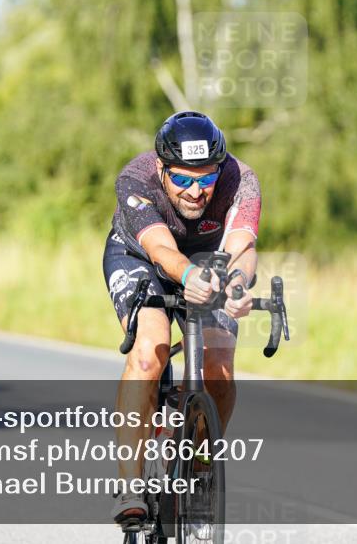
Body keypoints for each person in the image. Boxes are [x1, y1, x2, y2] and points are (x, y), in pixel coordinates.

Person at [103, 111, 261, 527]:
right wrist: (188, 276)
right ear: (161, 169)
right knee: (148, 352)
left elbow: (243, 246)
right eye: (183, 179)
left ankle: (200, 467)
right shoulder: (135, 179)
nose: (196, 191)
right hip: (143, 256)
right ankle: (131, 483)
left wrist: (238, 286)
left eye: (206, 178)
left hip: (211, 258)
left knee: (219, 366)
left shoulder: (240, 179)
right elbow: (159, 248)